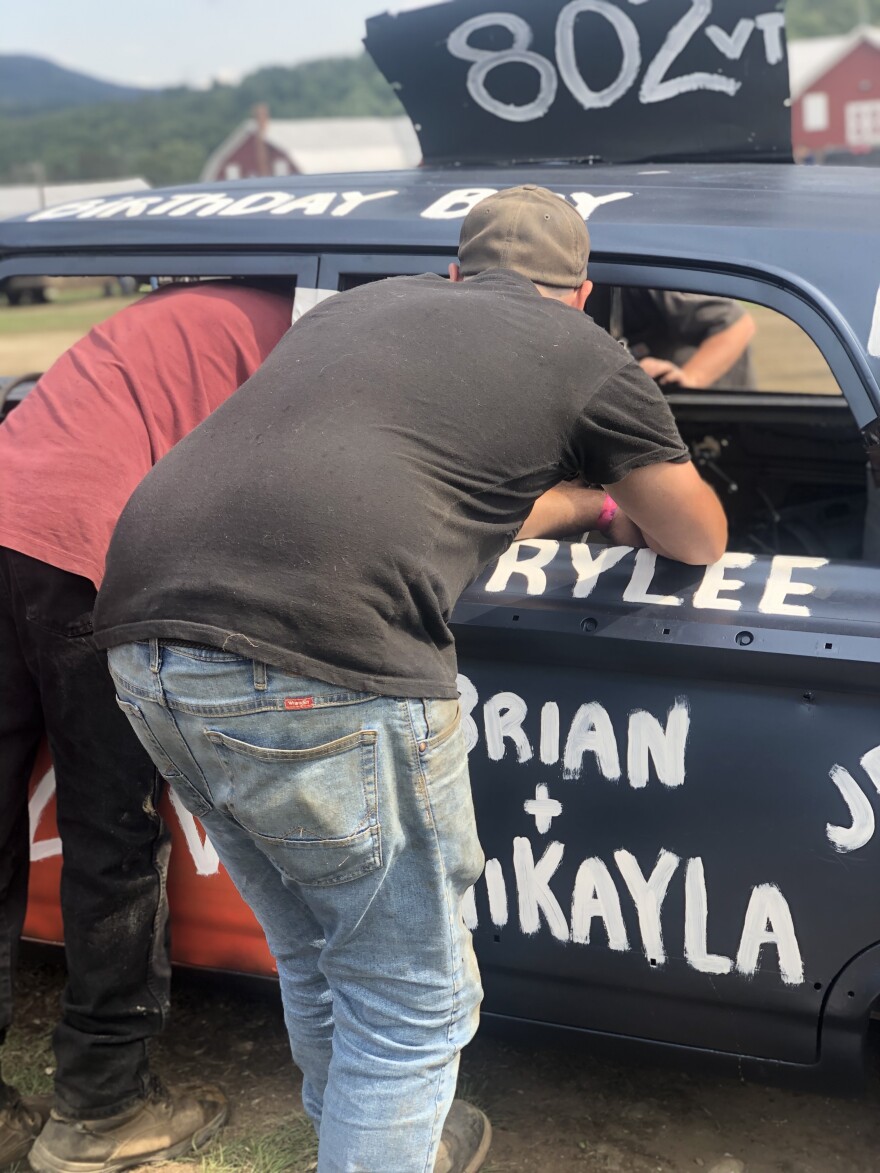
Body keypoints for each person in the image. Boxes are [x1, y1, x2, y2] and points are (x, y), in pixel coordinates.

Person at [94, 185, 727, 1173]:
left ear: (453, 272)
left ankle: (384, 1143)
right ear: (581, 290)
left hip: (142, 642)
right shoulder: (584, 352)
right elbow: (696, 534)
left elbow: (405, 479)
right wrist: (619, 500)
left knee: (319, 955)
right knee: (413, 1004)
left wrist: (575, 509)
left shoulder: (354, 311)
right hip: (318, 658)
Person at [0, 280, 294, 1172]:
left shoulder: (175, 307)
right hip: (90, 557)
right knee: (114, 835)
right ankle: (100, 1109)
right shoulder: (316, 331)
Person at [617, 288, 756, 391]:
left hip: (717, 408)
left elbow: (736, 323)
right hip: (658, 404)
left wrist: (691, 378)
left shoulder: (643, 278)